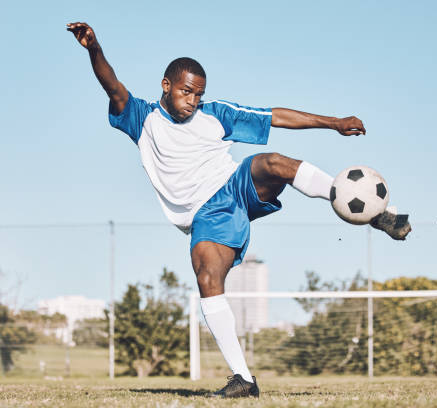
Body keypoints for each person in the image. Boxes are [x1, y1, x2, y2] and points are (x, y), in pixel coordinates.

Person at [67, 22, 411, 398]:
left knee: (272, 162)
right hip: (206, 217)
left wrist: (334, 123)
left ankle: (372, 212)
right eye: (185, 92)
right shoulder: (141, 118)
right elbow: (112, 86)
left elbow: (274, 116)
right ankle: (244, 379)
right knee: (206, 277)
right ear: (166, 86)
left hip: (234, 187)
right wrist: (93, 48)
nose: (192, 101)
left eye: (198, 94)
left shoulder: (216, 113)